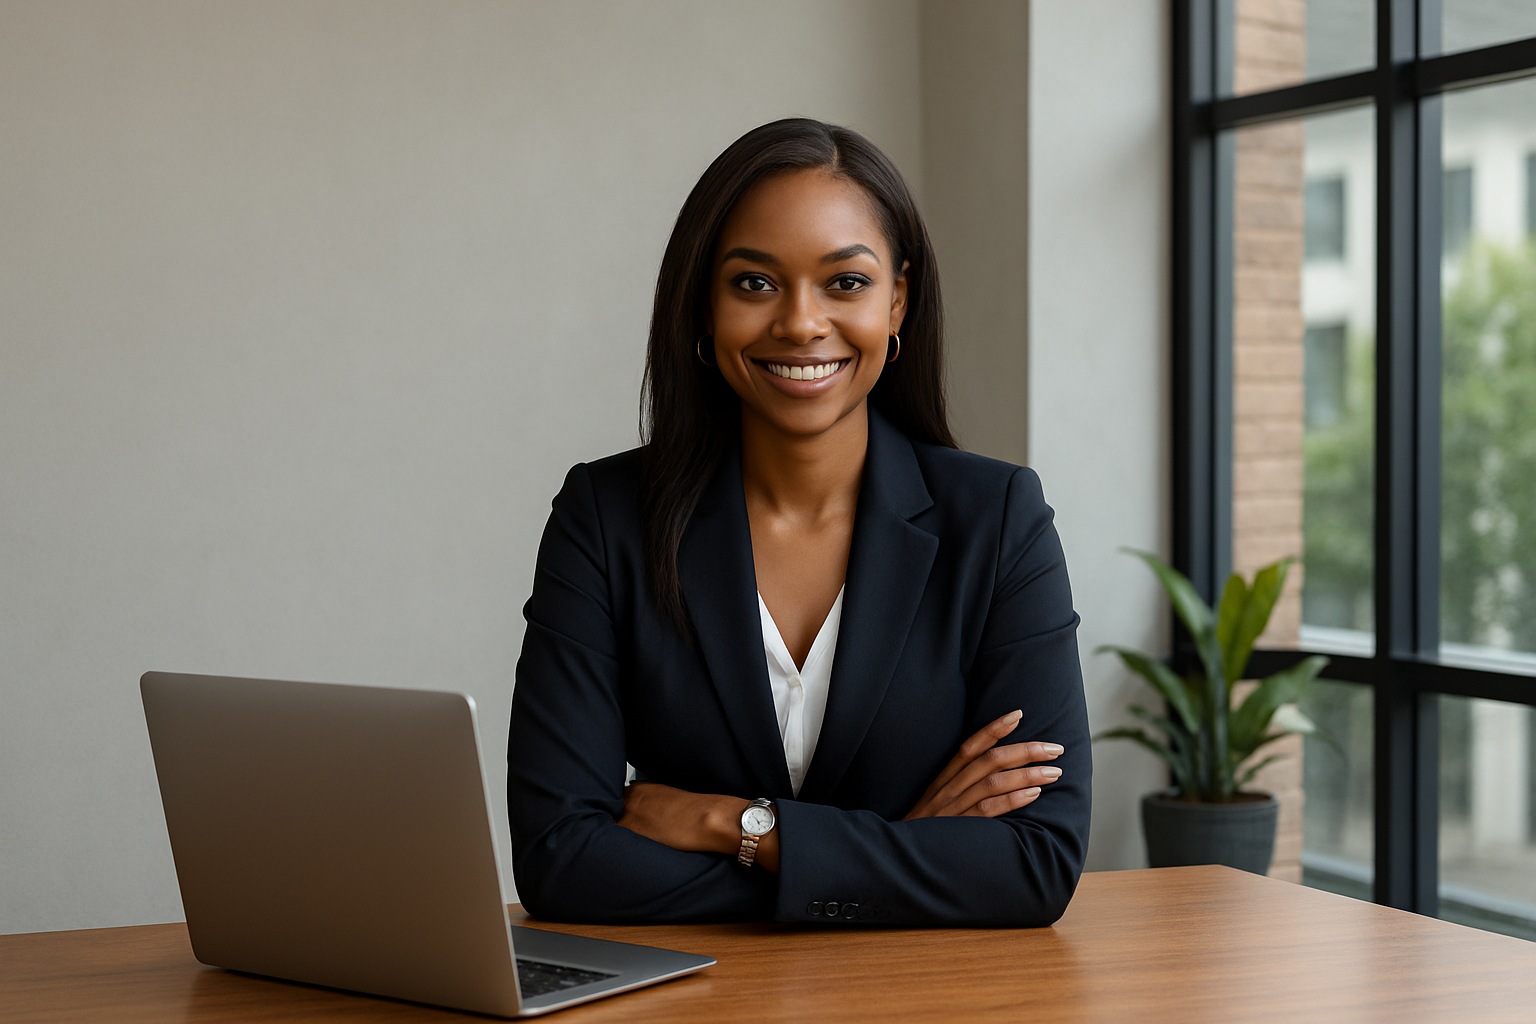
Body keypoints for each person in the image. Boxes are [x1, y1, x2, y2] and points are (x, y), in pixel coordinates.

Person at [507, 118, 1090, 927]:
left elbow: (1036, 864)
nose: (800, 324)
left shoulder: (997, 523)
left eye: (845, 282)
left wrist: (737, 828)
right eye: (754, 283)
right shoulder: (605, 520)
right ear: (703, 307)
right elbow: (559, 861)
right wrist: (906, 850)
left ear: (899, 300)